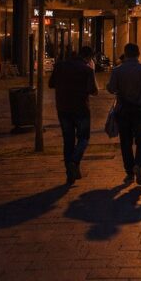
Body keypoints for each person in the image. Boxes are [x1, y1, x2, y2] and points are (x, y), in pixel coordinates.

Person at [107, 43, 141, 186]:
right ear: (138, 54)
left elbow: (111, 88)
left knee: (126, 142)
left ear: (125, 53)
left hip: (123, 111)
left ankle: (129, 172)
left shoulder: (117, 71)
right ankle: (139, 165)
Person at [49, 45, 98, 184]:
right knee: (83, 138)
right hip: (81, 108)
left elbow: (51, 84)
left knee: (68, 141)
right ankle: (74, 161)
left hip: (63, 108)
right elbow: (93, 91)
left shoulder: (60, 66)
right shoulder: (87, 70)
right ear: (88, 58)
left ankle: (69, 174)